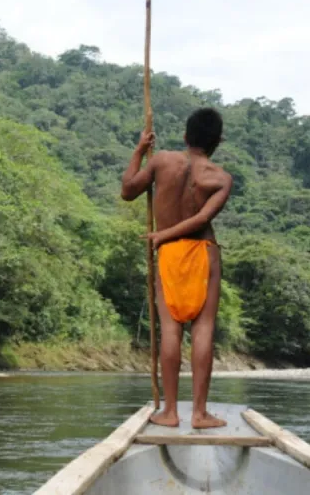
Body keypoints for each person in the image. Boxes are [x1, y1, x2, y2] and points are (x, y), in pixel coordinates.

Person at [120, 107, 233, 429]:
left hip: (169, 252)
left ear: (186, 136)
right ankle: (199, 413)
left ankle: (170, 411)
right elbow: (201, 220)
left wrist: (139, 151)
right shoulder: (220, 177)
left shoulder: (161, 160)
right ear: (218, 141)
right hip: (203, 251)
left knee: (171, 329)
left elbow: (127, 190)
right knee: (203, 329)